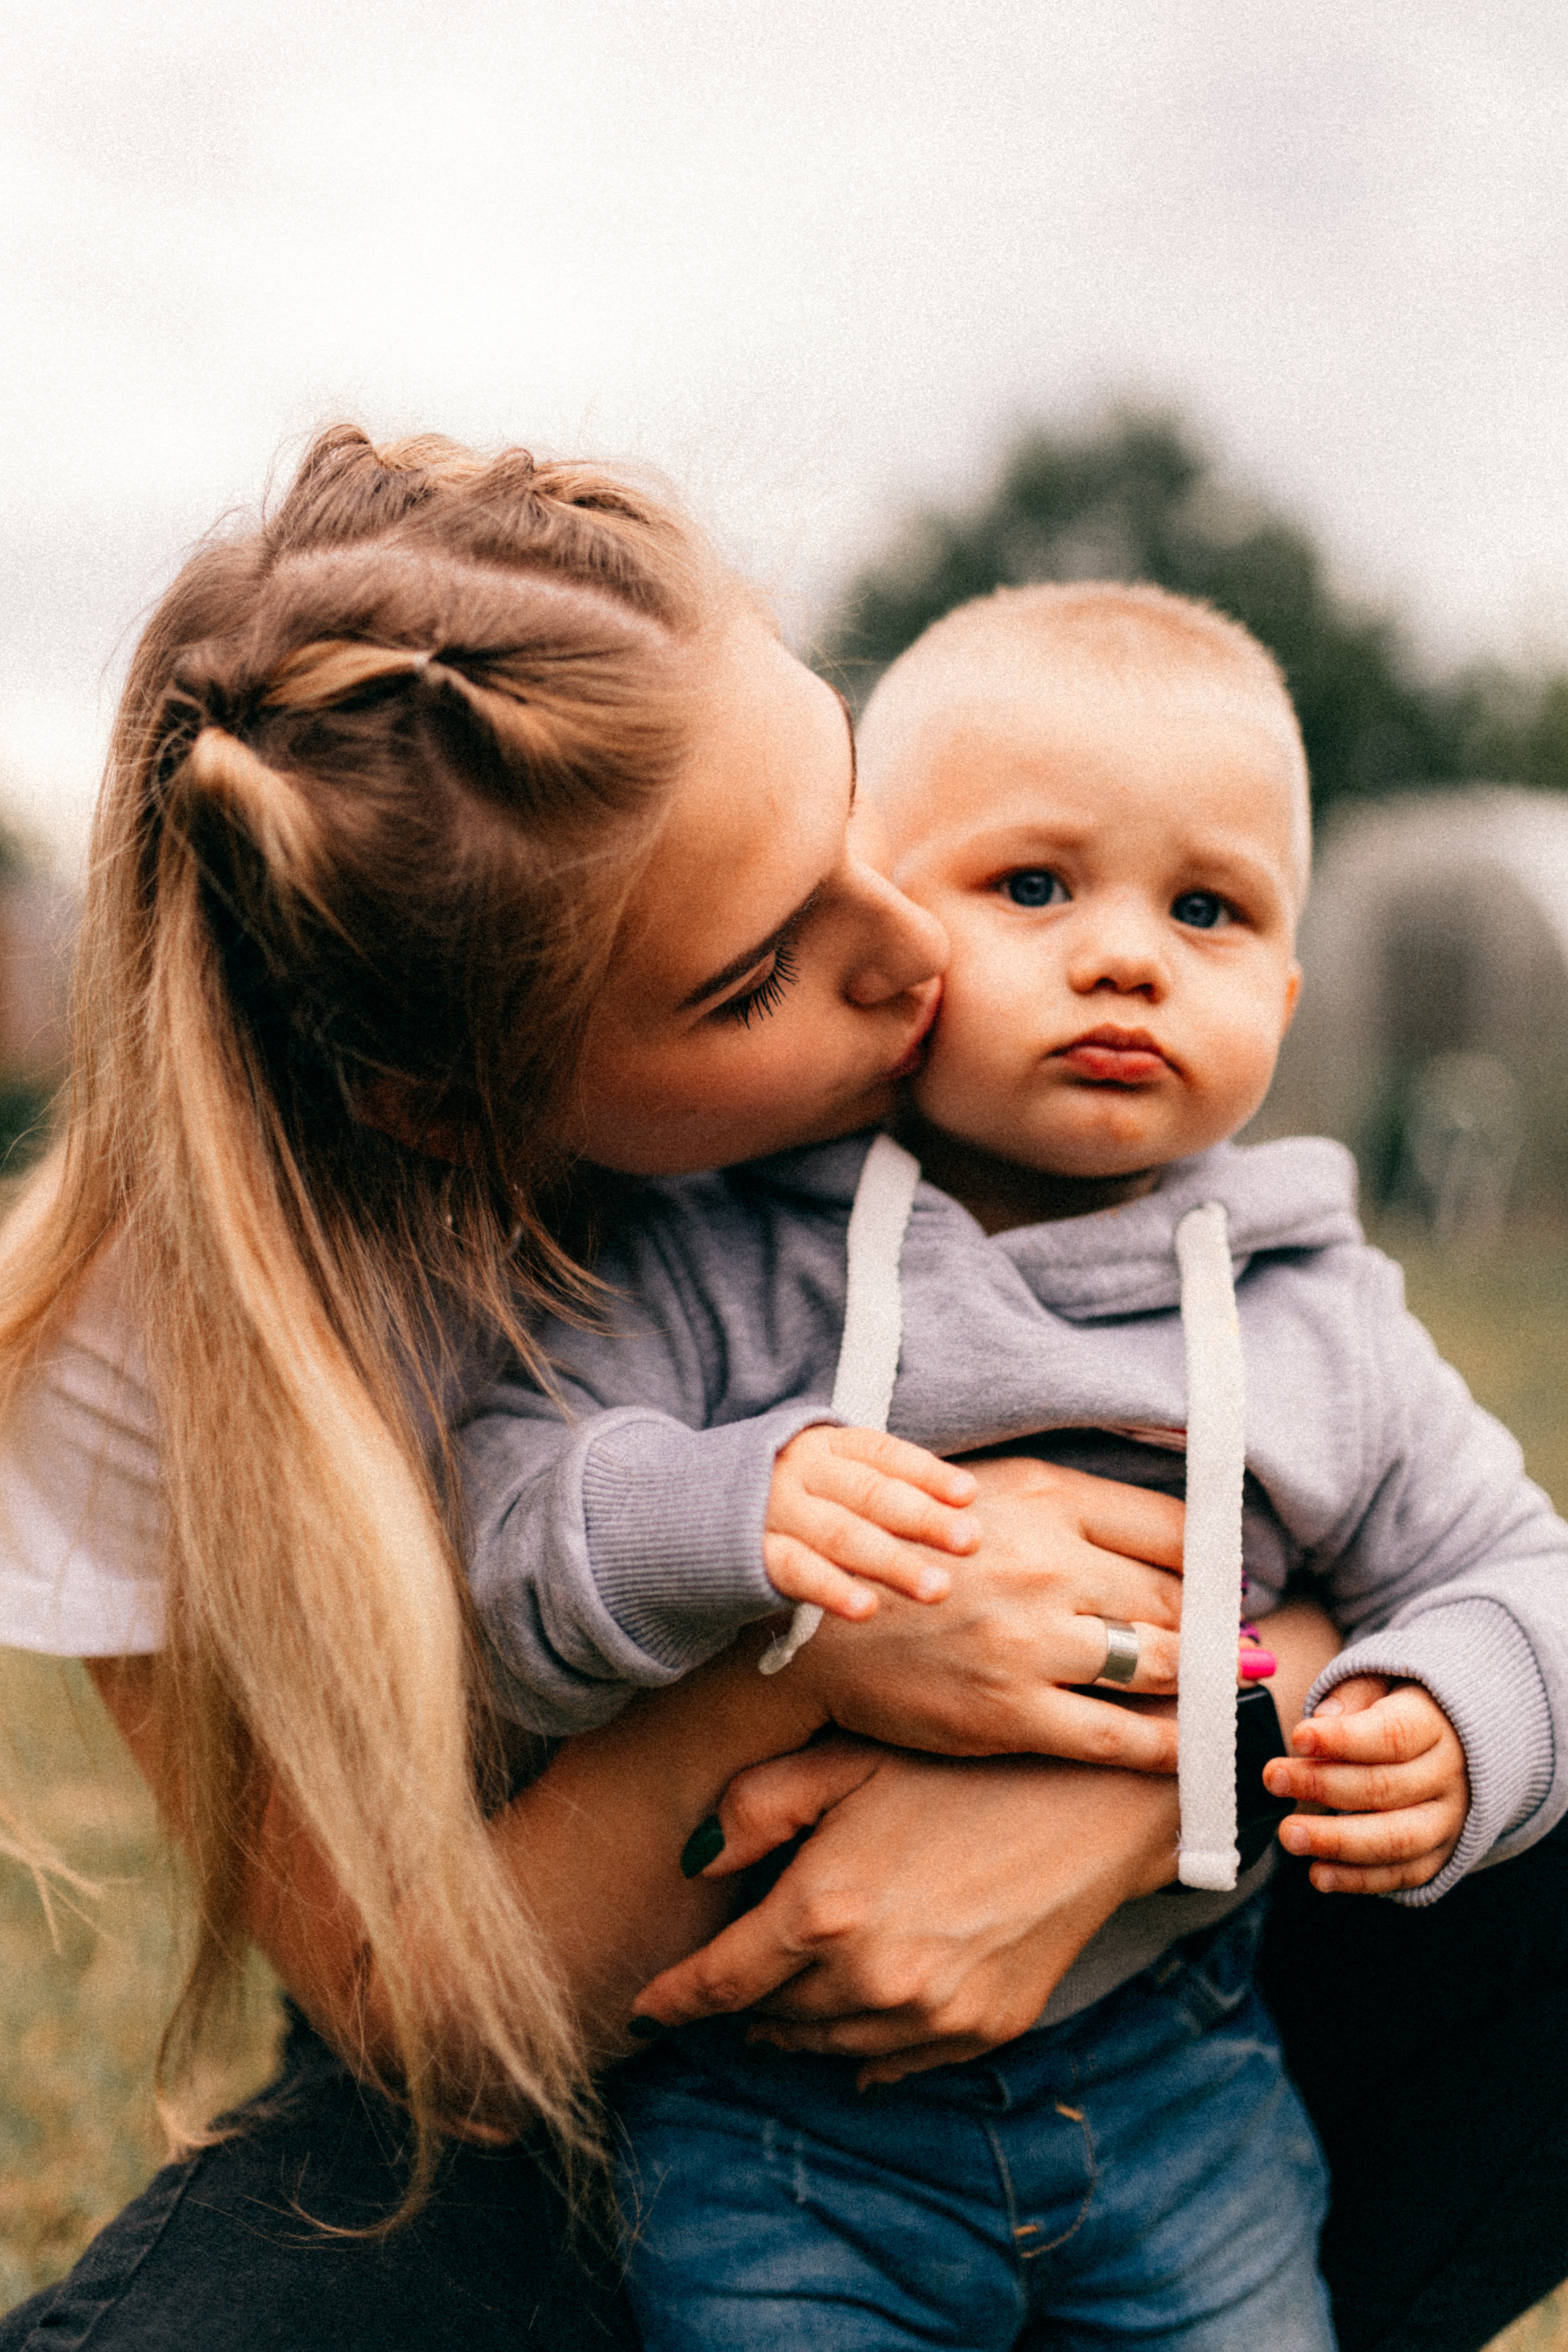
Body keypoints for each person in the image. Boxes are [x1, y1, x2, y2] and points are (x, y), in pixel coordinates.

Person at [0, 431, 1247, 2350]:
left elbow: (1340, 1436)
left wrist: (1138, 1798)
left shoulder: (954, 1010)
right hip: (564, 2088)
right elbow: (420, 2019)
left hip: (1155, 2016)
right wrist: (816, 1652)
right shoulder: (135, 1353)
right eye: (752, 977)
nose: (913, 946)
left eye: (846, 806)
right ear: (452, 1103)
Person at [456, 582, 1568, 2350]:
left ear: (1282, 986)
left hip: (1184, 2099)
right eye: (1034, 886)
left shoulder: (1315, 1308)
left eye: (1207, 908)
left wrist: (1453, 1711)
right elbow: (506, 1524)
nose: (1127, 955)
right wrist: (728, 1508)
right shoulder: (728, 1256)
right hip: (774, 2132)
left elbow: (1527, 1577)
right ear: (882, 920)